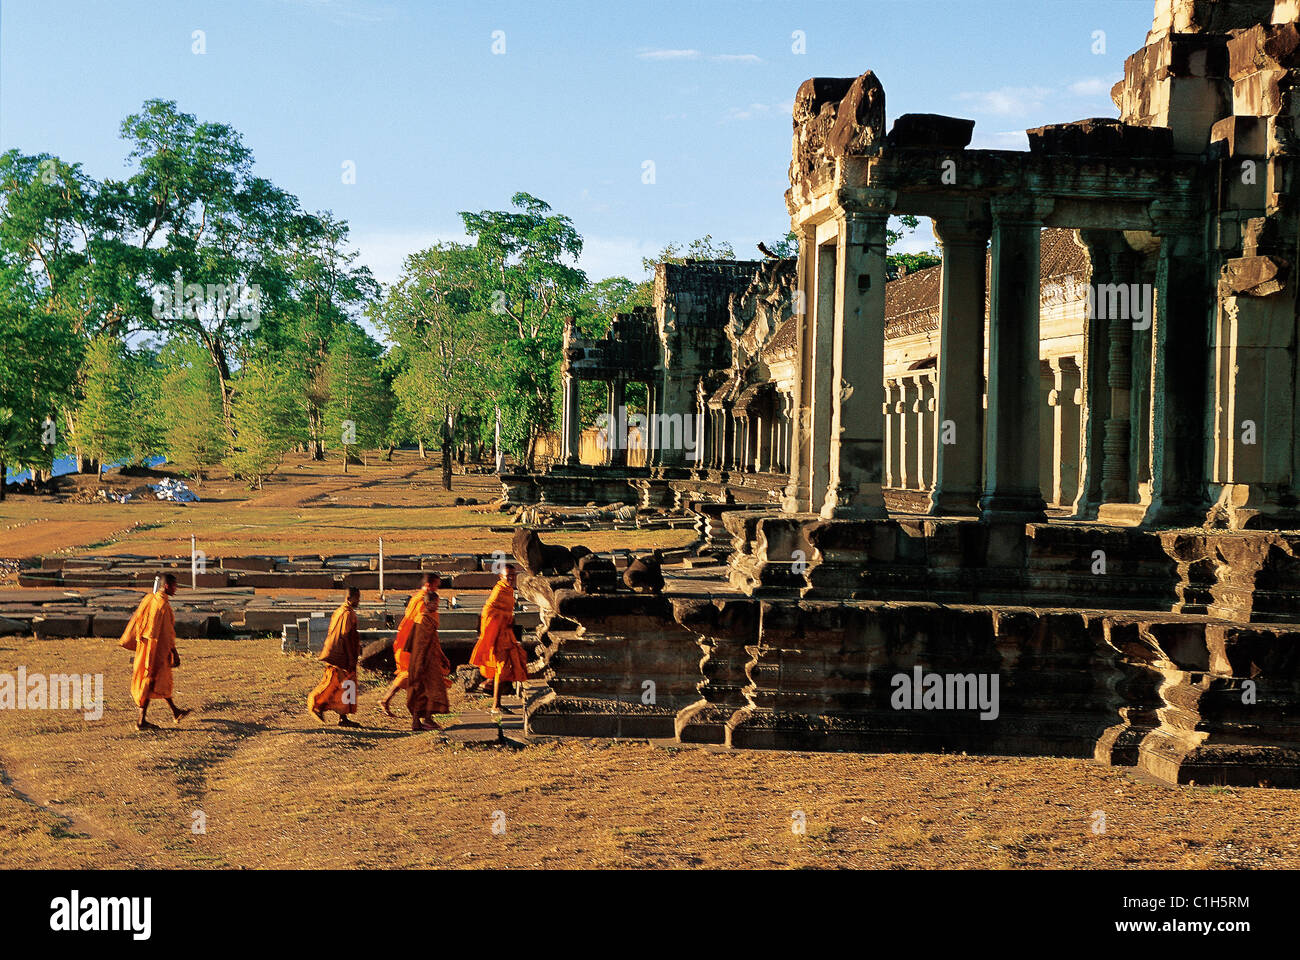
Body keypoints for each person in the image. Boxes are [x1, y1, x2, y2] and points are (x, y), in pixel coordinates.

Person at [119, 573, 191, 731]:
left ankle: (175, 711)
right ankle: (141, 721)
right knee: (151, 680)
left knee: (158, 680)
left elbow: (138, 620)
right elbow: (167, 633)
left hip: (145, 647)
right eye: (174, 586)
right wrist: (174, 652)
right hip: (156, 650)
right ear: (167, 586)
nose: (176, 589)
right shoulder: (162, 606)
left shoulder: (149, 599)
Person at [379, 573, 450, 729]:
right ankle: (421, 718)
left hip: (417, 647)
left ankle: (418, 718)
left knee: (417, 682)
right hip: (416, 648)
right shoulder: (422, 604)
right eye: (436, 585)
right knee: (417, 681)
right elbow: (420, 628)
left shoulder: (420, 599)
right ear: (429, 585)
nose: (437, 588)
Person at [469, 564, 528, 715]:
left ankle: (489, 685)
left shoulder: (508, 590)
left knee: (508, 665)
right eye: (508, 576)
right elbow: (488, 612)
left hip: (506, 635)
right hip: (497, 636)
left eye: (513, 576)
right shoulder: (498, 592)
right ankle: (496, 705)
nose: (511, 579)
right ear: (501, 577)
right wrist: (504, 620)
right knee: (501, 669)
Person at [308, 587, 362, 727]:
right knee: (339, 684)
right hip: (342, 655)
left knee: (341, 685)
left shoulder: (339, 611)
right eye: (357, 598)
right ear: (349, 598)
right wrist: (351, 658)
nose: (359, 601)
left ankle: (342, 717)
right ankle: (317, 704)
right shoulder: (347, 614)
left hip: (334, 651)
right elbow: (345, 636)